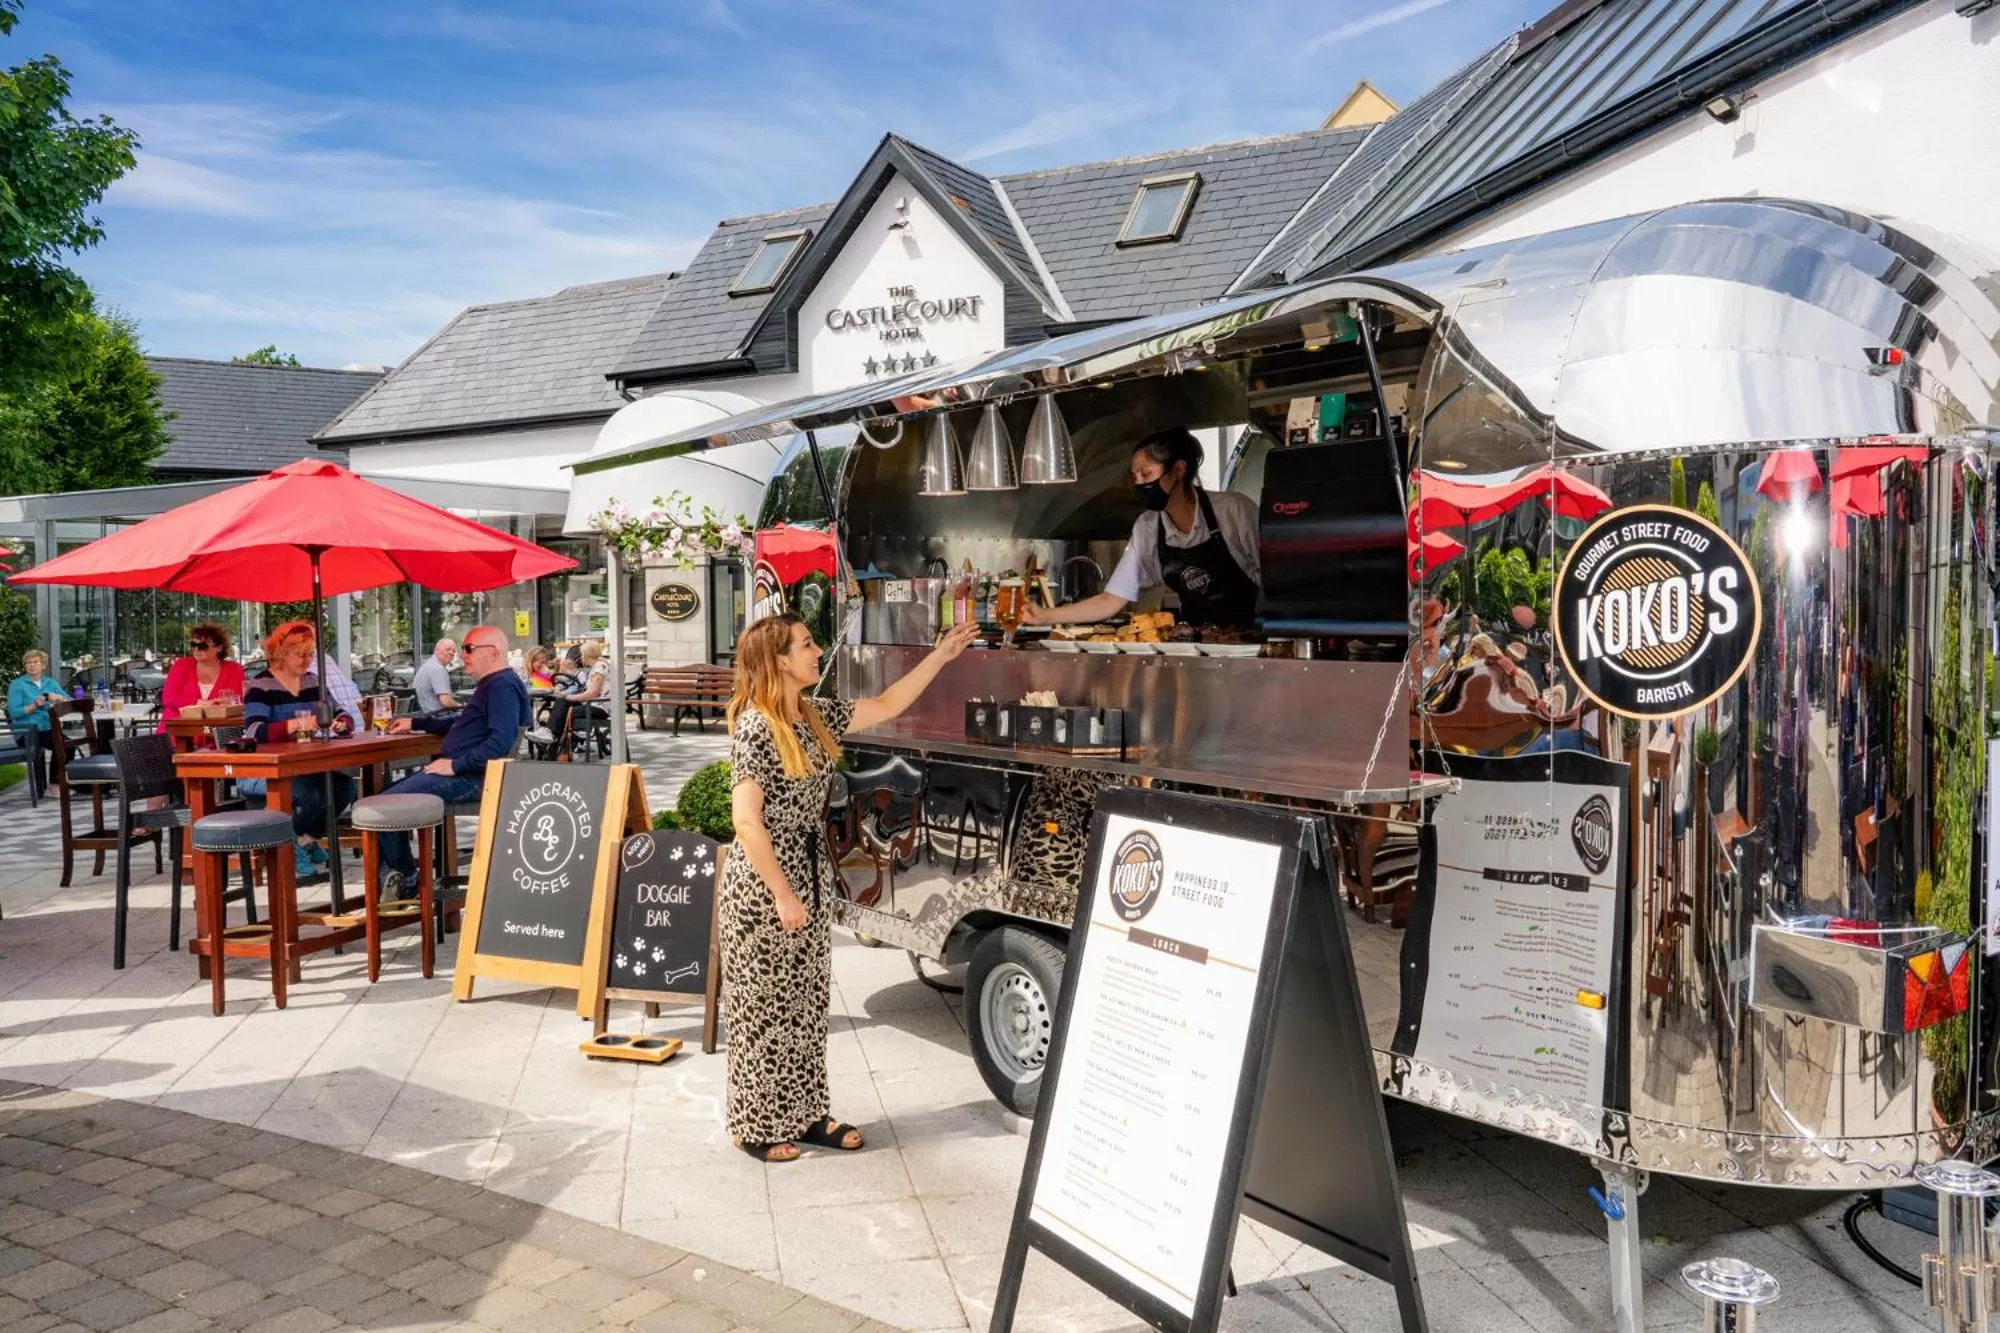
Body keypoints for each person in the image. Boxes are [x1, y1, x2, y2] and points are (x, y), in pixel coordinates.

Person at [722, 614, 977, 1162]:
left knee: (807, 1002)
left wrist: (940, 656)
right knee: (763, 1007)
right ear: (779, 661)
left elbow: (887, 705)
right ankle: (754, 1123)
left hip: (807, 871)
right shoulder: (756, 726)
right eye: (806, 645)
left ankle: (808, 1113)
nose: (817, 652)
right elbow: (747, 821)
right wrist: (784, 894)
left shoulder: (813, 715)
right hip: (767, 881)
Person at [1025, 427, 1261, 629]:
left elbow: (1279, 579)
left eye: (1146, 474)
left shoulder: (1233, 510)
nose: (1139, 483)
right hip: (1194, 648)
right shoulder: (1148, 528)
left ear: (1179, 470)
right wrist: (1045, 616)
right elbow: (1110, 600)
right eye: (1135, 476)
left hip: (1255, 645)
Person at [377, 625, 531, 898]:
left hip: (473, 778)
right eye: (462, 649)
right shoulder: (494, 684)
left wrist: (454, 766)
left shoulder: (501, 685)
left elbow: (500, 743)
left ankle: (407, 882)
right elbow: (461, 722)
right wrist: (416, 721)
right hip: (466, 773)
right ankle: (398, 880)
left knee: (382, 808)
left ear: (493, 652)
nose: (462, 655)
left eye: (469, 648)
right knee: (383, 800)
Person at [241, 621, 357, 883]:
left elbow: (340, 712)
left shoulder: (313, 682)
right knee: (310, 795)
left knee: (345, 788)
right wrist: (293, 724)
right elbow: (254, 730)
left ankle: (302, 841)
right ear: (281, 653)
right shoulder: (261, 685)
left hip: (301, 766)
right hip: (262, 770)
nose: (306, 661)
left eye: (309, 654)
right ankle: (285, 845)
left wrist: (340, 724)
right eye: (300, 654)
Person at [6, 649, 67, 794]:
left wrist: (58, 698)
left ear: (43, 665)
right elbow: (14, 712)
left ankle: (56, 782)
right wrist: (34, 706)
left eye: (35, 662)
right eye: (28, 663)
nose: (31, 665)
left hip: (48, 728)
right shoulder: (17, 685)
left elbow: (69, 700)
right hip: (27, 731)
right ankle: (55, 786)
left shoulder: (50, 683)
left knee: (68, 745)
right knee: (60, 744)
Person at [160, 623, 246, 722]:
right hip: (178, 729)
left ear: (219, 648)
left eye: (202, 646)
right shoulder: (182, 665)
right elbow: (168, 698)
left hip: (217, 729)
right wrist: (201, 703)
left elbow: (236, 701)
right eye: (193, 645)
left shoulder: (233, 669)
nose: (196, 649)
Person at [545, 639, 609, 752]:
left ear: (585, 655)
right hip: (595, 704)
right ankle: (554, 741)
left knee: (565, 708)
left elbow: (592, 693)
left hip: (600, 707)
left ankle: (555, 741)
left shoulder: (600, 667)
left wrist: (570, 697)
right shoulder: (598, 666)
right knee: (563, 702)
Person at [412, 638, 459, 714]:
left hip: (427, 715)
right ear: (436, 650)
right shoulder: (437, 669)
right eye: (448, 649)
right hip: (438, 717)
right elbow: (446, 702)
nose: (451, 653)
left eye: (453, 651)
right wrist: (460, 706)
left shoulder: (429, 664)